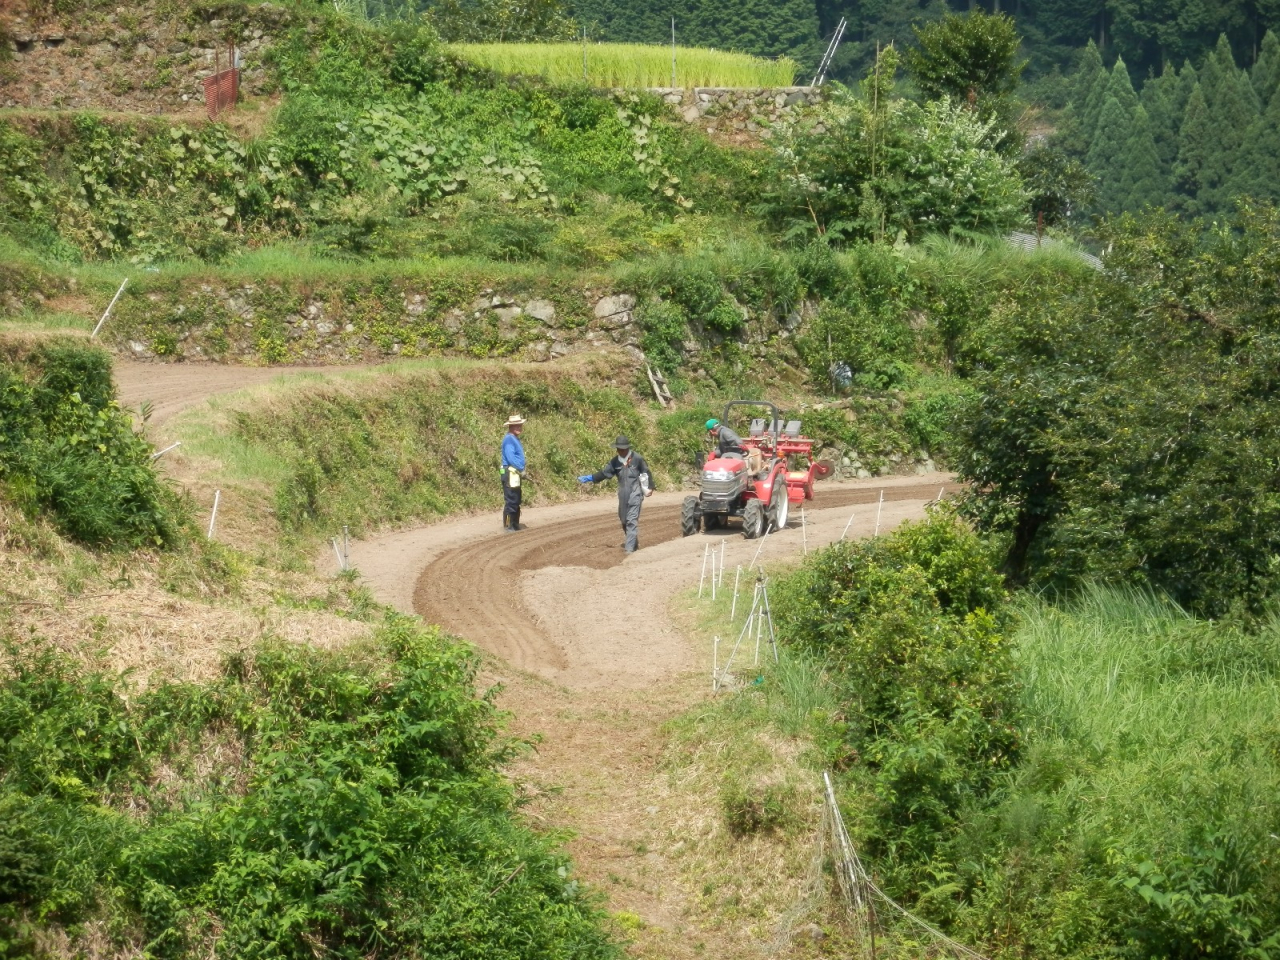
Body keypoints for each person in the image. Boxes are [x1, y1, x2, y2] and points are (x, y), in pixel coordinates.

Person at [578, 435, 653, 553]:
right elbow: (604, 473)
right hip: (623, 493)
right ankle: (633, 543)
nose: (621, 451)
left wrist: (650, 487)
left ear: (628, 448)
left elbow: (646, 472)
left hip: (635, 492)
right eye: (619, 449)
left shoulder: (637, 458)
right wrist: (590, 478)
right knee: (624, 520)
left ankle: (629, 550)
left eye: (623, 449)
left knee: (631, 520)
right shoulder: (615, 462)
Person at [501, 414, 526, 532]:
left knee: (516, 498)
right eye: (516, 425)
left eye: (520, 425)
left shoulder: (514, 439)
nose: (519, 427)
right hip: (510, 472)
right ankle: (509, 526)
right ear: (510, 427)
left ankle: (515, 524)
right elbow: (511, 458)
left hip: (514, 473)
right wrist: (521, 468)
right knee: (511, 498)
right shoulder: (509, 440)